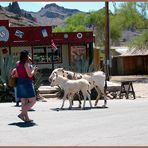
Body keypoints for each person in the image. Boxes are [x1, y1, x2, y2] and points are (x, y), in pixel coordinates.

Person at [16, 50, 38, 122]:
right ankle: (22, 114)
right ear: (26, 56)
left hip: (20, 82)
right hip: (27, 83)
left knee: (24, 102)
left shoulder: (18, 63)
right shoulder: (26, 64)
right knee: (33, 101)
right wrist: (34, 70)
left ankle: (26, 118)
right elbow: (30, 75)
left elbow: (17, 73)